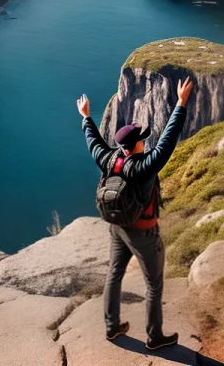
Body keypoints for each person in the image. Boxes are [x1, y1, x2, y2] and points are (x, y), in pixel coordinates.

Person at [76, 76, 193, 351]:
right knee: (154, 284)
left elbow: (93, 142)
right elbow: (167, 142)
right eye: (142, 138)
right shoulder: (142, 168)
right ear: (137, 145)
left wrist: (85, 118)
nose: (145, 141)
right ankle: (155, 337)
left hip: (117, 227)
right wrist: (181, 104)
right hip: (143, 231)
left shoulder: (109, 159)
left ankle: (112, 327)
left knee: (114, 274)